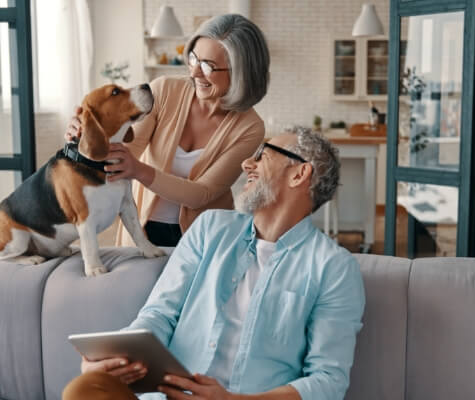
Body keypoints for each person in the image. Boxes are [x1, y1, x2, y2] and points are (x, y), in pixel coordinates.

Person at [62, 127, 366, 400]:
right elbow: (160, 314)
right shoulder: (210, 228)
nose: (247, 164)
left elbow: (328, 381)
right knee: (85, 389)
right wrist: (118, 357)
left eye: (263, 156)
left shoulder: (334, 267)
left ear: (299, 174)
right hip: (165, 394)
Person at [66, 14, 269, 247]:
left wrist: (139, 170)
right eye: (194, 59)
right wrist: (88, 131)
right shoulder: (164, 90)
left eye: (208, 66)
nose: (194, 73)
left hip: (205, 239)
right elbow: (124, 150)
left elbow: (201, 194)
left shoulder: (250, 127)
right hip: (142, 228)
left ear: (240, 72)